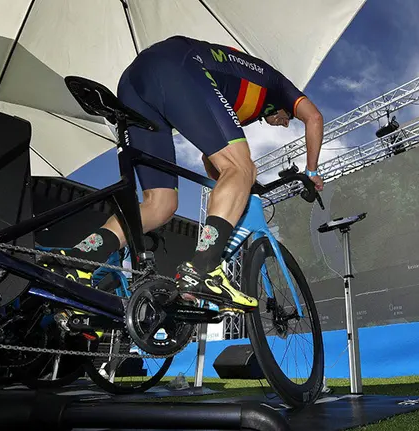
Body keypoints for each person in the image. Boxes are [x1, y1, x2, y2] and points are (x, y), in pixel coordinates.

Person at [45, 35, 324, 312]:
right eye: (288, 118)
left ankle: (78, 260)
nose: (285, 124)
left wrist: (231, 190)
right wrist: (310, 172)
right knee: (242, 167)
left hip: (134, 82)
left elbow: (208, 156)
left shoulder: (243, 106)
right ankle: (203, 269)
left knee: (160, 205)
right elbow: (314, 117)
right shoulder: (278, 85)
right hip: (178, 65)